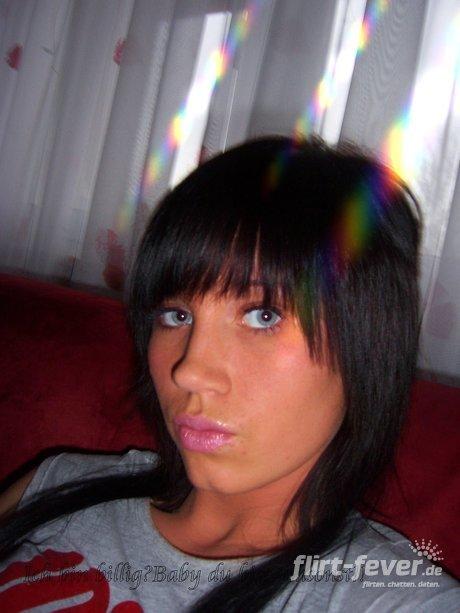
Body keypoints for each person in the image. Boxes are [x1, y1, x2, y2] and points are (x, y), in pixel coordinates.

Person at [0, 136, 458, 612]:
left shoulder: (392, 597)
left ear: (368, 343)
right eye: (176, 315)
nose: (190, 372)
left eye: (263, 315)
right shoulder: (57, 484)